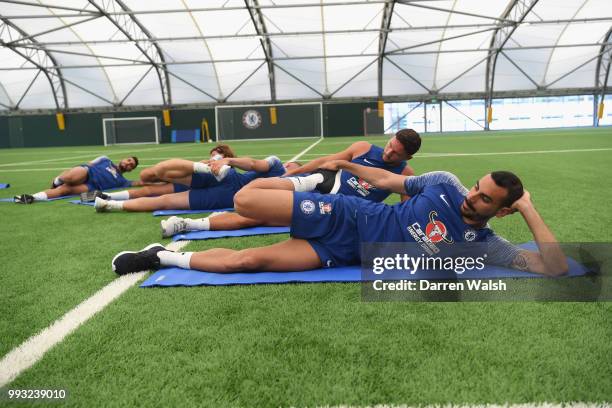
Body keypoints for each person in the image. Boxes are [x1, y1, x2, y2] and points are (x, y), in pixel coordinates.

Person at [111, 162, 569, 277]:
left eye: (485, 199)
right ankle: (309, 185)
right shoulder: (445, 184)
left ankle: (164, 259)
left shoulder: (485, 245)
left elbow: (555, 269)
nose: (472, 198)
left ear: (503, 210)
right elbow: (388, 181)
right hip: (347, 212)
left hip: (342, 251)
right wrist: (346, 169)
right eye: (476, 188)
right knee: (248, 199)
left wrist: (529, 208)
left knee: (246, 262)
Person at [160, 128, 422, 237]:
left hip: (336, 207)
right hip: (317, 180)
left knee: (261, 216)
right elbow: (326, 161)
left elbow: (404, 212)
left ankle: (189, 224)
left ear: (407, 157)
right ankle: (224, 202)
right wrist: (289, 175)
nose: (388, 153)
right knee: (259, 192)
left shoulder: (405, 175)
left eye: (395, 153)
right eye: (390, 146)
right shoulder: (364, 147)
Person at [95, 155, 299, 213]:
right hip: (230, 187)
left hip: (230, 190)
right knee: (162, 185)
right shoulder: (284, 173)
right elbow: (255, 164)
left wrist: (227, 161)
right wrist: (227, 161)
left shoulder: (289, 178)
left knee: (164, 198)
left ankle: (110, 203)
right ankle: (201, 167)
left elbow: (255, 164)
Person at [89, 144, 236, 202]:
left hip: (191, 186)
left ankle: (106, 198)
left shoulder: (228, 168)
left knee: (151, 194)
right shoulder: (206, 162)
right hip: (185, 178)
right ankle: (100, 196)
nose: (213, 157)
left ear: (224, 155)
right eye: (212, 154)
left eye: (216, 154)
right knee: (146, 180)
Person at [14, 155, 139, 204]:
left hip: (91, 186)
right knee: (70, 177)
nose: (129, 164)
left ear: (131, 170)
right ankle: (58, 179)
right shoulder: (106, 159)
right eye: (129, 160)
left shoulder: (123, 181)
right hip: (88, 172)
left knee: (64, 190)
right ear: (123, 159)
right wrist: (83, 169)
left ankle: (31, 197)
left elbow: (141, 182)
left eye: (131, 165)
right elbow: (90, 164)